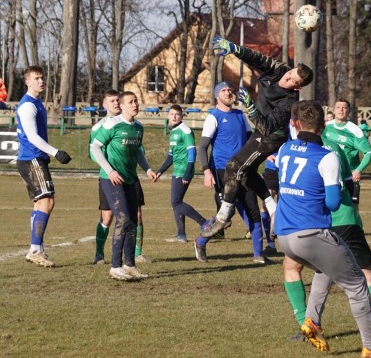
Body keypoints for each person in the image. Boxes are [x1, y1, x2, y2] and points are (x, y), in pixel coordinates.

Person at [283, 101, 371, 348]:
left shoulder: (289, 149)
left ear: (297, 124)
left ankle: (308, 322)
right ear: (324, 125)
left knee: (301, 267)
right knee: (366, 275)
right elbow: (344, 188)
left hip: (312, 223)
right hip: (342, 219)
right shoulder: (331, 150)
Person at [199, 36, 313, 238]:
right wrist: (235, 48)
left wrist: (250, 107)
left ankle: (223, 217)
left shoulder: (289, 102)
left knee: (233, 166)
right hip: (262, 132)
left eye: (293, 81)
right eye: (290, 74)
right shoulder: (280, 69)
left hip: (271, 137)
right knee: (248, 172)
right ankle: (274, 209)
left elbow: (267, 127)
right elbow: (257, 58)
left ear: (298, 87)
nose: (287, 79)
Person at [197, 81, 269, 263]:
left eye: (230, 90)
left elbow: (251, 140)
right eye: (224, 90)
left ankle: (258, 254)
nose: (228, 93)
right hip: (223, 171)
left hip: (244, 169)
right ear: (217, 96)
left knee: (252, 210)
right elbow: (203, 147)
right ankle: (200, 241)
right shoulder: (213, 117)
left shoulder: (239, 115)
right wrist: (207, 172)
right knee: (227, 214)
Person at [90, 91, 157, 280]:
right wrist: (110, 171)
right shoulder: (111, 124)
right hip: (110, 179)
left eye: (136, 101)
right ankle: (115, 266)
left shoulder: (138, 127)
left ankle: (130, 264)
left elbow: (137, 152)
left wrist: (147, 169)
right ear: (122, 105)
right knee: (122, 218)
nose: (135, 104)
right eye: (131, 102)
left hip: (130, 179)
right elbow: (95, 147)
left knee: (133, 221)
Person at [16, 65, 72, 267]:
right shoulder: (27, 106)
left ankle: (36, 249)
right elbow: (32, 137)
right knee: (47, 201)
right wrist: (56, 152)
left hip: (32, 159)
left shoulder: (37, 103)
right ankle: (35, 249)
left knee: (41, 203)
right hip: (32, 159)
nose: (41, 81)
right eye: (36, 78)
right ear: (27, 82)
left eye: (42, 78)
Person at [155, 104, 206, 243]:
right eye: (172, 114)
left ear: (181, 116)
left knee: (176, 202)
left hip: (183, 170)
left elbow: (192, 152)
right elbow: (170, 156)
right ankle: (181, 235)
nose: (174, 116)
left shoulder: (185, 130)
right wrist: (160, 171)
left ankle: (204, 223)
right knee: (177, 202)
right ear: (168, 115)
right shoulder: (173, 131)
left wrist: (188, 172)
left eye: (177, 114)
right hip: (177, 170)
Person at [323, 98, 371, 208]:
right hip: (328, 174)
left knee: (352, 208)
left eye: (344, 108)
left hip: (348, 177)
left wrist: (358, 170)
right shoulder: (326, 127)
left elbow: (369, 152)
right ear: (334, 110)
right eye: (338, 107)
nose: (341, 110)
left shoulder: (354, 130)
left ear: (349, 111)